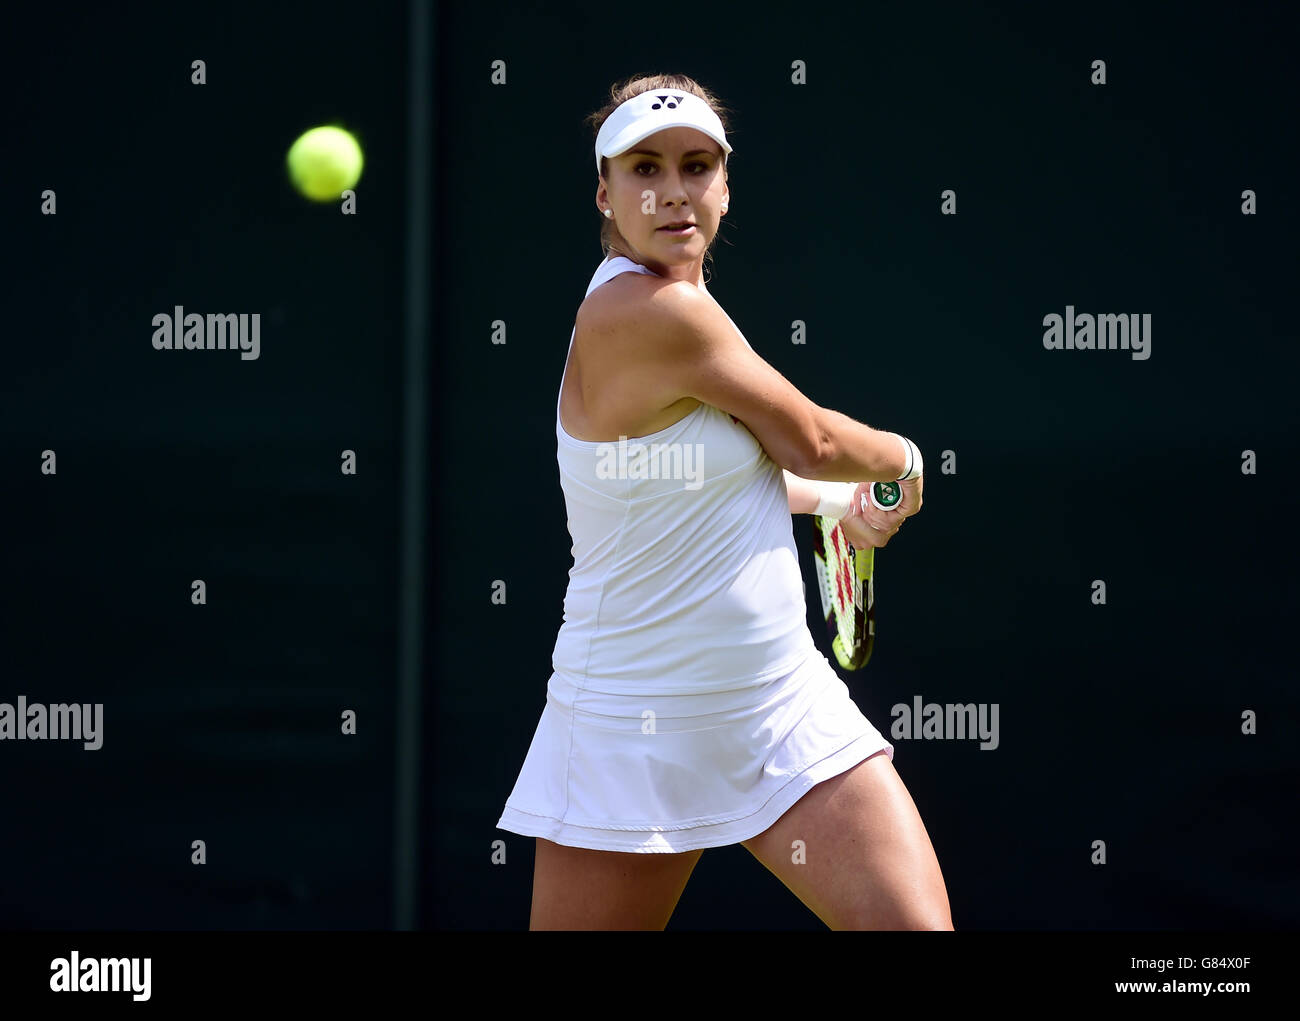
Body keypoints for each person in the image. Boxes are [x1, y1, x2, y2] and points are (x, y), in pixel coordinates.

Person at [496, 73, 952, 931]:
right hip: (630, 723)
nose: (673, 191)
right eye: (645, 169)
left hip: (778, 706)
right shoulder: (644, 313)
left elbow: (716, 477)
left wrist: (835, 506)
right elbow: (810, 437)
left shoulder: (685, 307)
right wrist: (903, 461)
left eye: (696, 166)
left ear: (726, 185)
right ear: (606, 191)